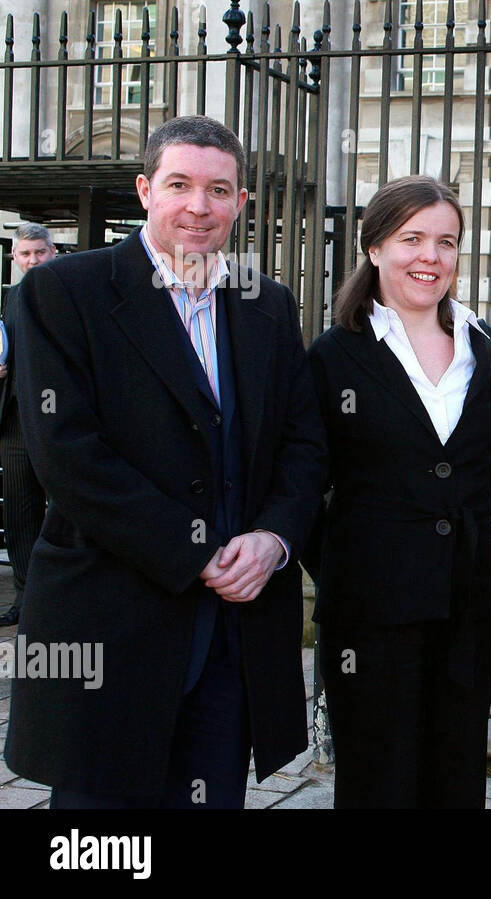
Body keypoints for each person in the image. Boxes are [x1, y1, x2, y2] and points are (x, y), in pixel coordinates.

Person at [2, 115, 328, 808]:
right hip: (108, 630)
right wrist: (198, 551)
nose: (198, 206)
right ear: (146, 190)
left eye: (219, 190)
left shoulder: (266, 305)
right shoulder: (64, 294)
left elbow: (303, 446)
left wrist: (274, 538)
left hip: (229, 638)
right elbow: (67, 454)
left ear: (242, 204)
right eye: (180, 184)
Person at [305, 175, 491, 808]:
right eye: (411, 238)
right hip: (372, 610)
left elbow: (490, 468)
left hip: (468, 602)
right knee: (379, 779)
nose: (431, 257)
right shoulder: (334, 356)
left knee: (455, 773)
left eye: (446, 242)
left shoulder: (483, 346)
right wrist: (351, 568)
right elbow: (302, 483)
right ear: (373, 248)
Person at [0, 223, 58, 627]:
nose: (32, 260)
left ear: (53, 252)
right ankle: (26, 595)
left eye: (39, 252)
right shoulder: (13, 298)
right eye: (25, 254)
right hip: (16, 421)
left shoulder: (73, 294)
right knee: (19, 513)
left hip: (60, 422)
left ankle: (62, 594)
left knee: (69, 508)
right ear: (15, 259)